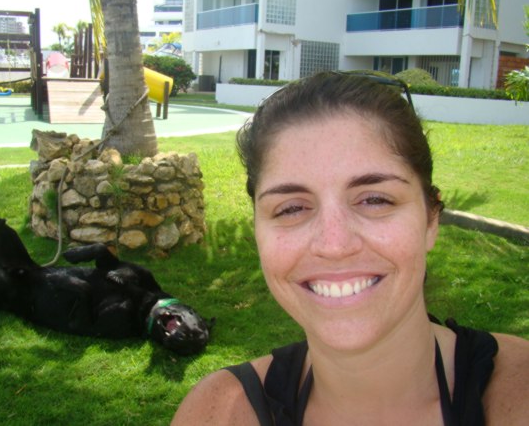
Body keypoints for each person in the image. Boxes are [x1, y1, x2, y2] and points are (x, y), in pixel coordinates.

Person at [171, 71, 529, 425]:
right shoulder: (218, 414)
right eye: (291, 208)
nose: (335, 245)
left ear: (430, 220)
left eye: (374, 199)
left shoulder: (517, 393)